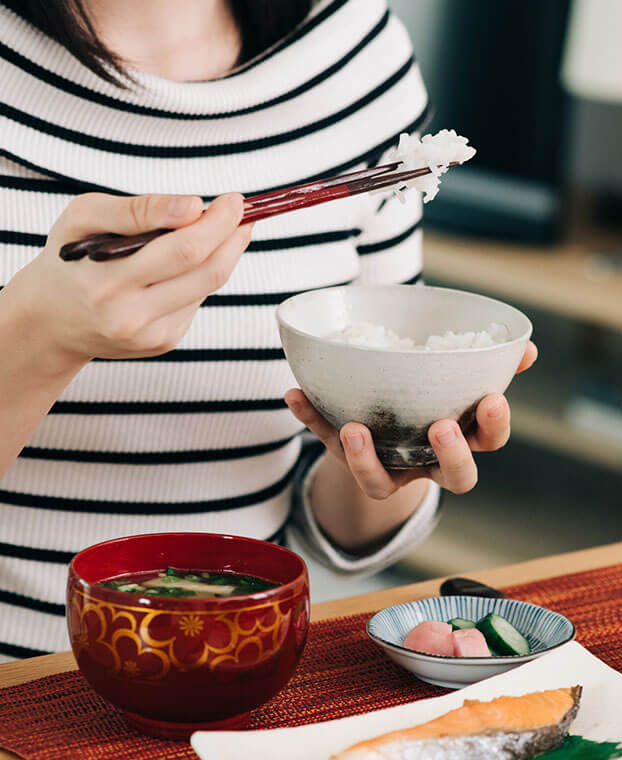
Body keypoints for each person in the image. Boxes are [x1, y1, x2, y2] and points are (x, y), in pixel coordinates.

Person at [0, 0, 537, 661]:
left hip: (250, 670)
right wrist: (36, 338)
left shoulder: (353, 49)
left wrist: (394, 455)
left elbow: (341, 520)